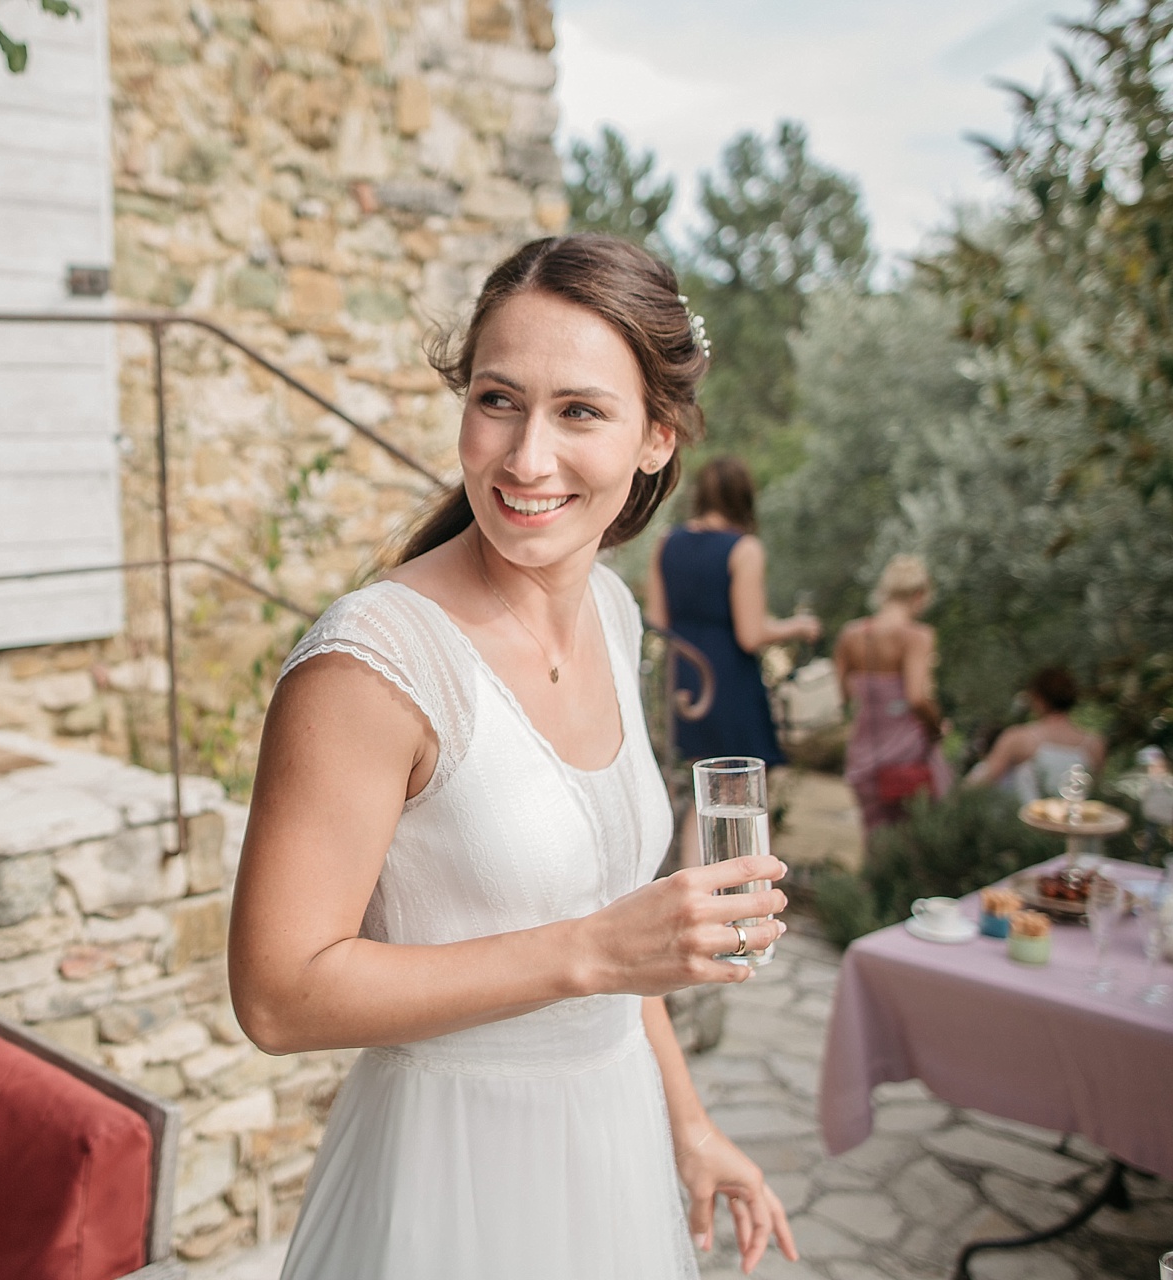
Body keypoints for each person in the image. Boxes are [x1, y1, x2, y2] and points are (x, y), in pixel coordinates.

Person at [229, 235, 798, 1280]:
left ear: (655, 438)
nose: (527, 457)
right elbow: (277, 994)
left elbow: (622, 942)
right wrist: (587, 950)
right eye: (499, 400)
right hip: (451, 1175)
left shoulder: (615, 613)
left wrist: (689, 1125)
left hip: (612, 1145)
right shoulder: (373, 664)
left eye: (580, 410)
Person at [645, 457, 822, 865]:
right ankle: (749, 892)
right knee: (746, 789)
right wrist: (798, 626)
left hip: (686, 677)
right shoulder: (743, 549)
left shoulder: (666, 543)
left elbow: (657, 621)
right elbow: (751, 633)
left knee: (703, 790)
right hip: (728, 679)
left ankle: (700, 892)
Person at [834, 554, 950, 834]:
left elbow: (843, 696)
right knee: (915, 837)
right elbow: (916, 697)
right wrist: (937, 728)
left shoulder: (850, 634)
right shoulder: (916, 636)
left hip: (864, 753)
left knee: (875, 839)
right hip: (906, 755)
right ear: (920, 595)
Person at [966, 667, 1105, 801]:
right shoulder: (1095, 744)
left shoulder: (1019, 738)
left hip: (1025, 822)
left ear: (1037, 699)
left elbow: (983, 781)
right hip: (1076, 823)